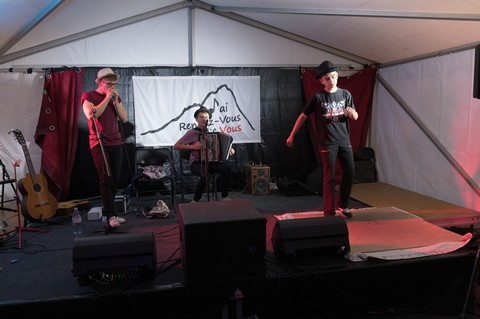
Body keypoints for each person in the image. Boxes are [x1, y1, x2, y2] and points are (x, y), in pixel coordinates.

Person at [286, 61, 358, 218]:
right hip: (327, 142)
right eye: (327, 78)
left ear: (337, 77)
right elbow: (303, 116)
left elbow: (355, 115)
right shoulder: (318, 98)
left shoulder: (345, 94)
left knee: (350, 172)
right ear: (322, 81)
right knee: (329, 177)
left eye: (333, 77)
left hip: (344, 140)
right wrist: (292, 135)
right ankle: (329, 212)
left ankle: (343, 205)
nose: (331, 81)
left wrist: (352, 114)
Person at [81, 68, 128, 230]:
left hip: (116, 142)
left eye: (114, 84)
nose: (112, 87)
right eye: (109, 83)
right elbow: (91, 115)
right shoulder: (89, 96)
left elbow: (124, 118)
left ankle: (112, 213)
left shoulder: (115, 97)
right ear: (100, 82)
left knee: (114, 179)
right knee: (105, 179)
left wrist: (115, 101)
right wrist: (107, 98)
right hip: (99, 143)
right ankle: (110, 216)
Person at [174, 107, 235, 203]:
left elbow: (219, 148)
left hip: (209, 162)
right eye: (201, 117)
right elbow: (176, 146)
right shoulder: (192, 133)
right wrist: (193, 147)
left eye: (206, 117)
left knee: (226, 169)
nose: (204, 119)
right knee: (205, 174)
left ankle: (225, 196)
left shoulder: (210, 133)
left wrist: (228, 150)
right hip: (196, 163)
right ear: (196, 119)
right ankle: (195, 200)